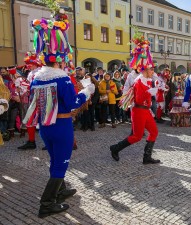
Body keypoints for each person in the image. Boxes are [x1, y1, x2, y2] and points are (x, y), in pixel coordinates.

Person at [26, 9, 95, 218]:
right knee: (60, 163)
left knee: (55, 160)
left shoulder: (36, 79)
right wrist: (86, 91)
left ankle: (61, 190)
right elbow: (73, 103)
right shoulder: (62, 78)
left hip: (46, 127)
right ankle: (47, 203)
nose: (65, 63)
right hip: (62, 125)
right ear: (58, 61)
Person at [109, 35, 160, 164]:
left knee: (154, 131)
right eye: (151, 69)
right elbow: (138, 98)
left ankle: (146, 157)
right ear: (145, 70)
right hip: (138, 110)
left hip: (146, 110)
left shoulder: (147, 79)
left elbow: (149, 96)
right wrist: (150, 93)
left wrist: (158, 89)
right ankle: (115, 148)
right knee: (137, 136)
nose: (153, 71)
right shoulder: (138, 81)